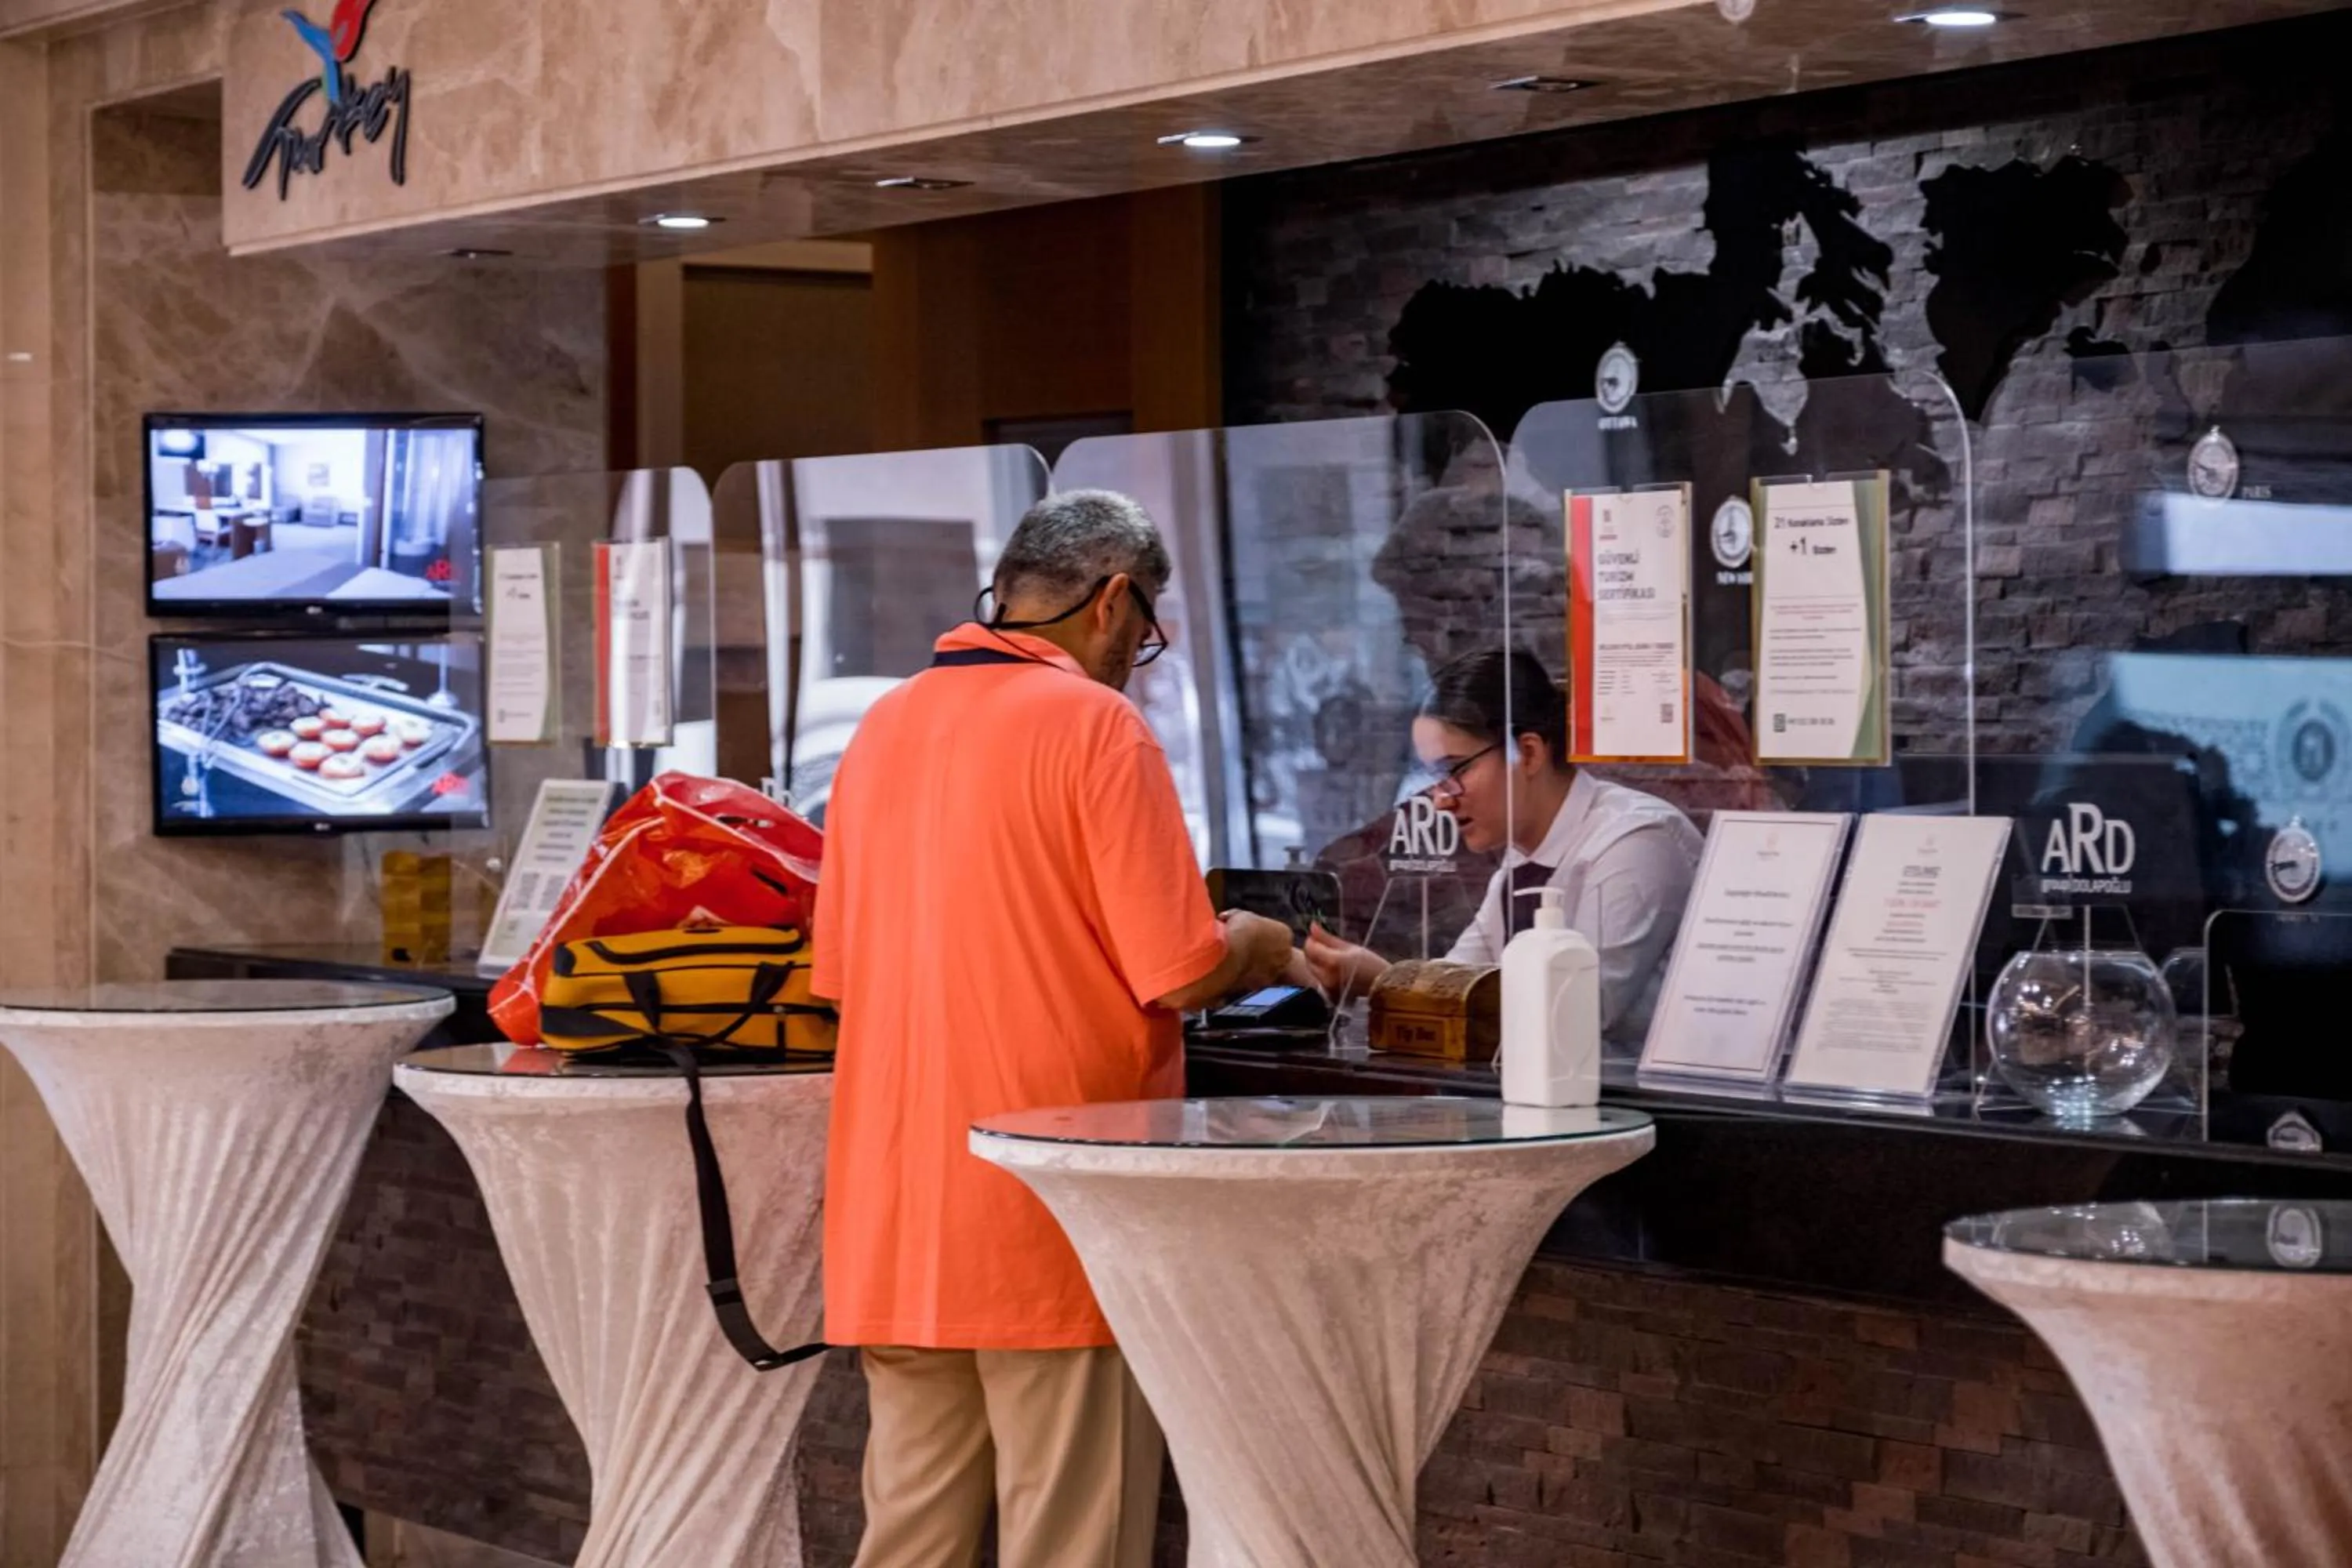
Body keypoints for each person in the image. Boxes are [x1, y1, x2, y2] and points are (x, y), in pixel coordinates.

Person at [812, 488, 1298, 1568]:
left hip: (895, 1210)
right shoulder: (1095, 726)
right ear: (1112, 598)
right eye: (1148, 629)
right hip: (1054, 1210)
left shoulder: (884, 725)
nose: (1141, 654)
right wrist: (1261, 945)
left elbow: (840, 974)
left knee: (908, 1540)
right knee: (1073, 1539)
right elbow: (1179, 975)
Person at [1305, 648, 1704, 1040]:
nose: (1441, 799)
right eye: (1432, 778)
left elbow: (1581, 1012)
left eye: (1454, 770)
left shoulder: (1636, 840)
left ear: (1528, 753)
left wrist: (1387, 981)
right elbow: (1462, 980)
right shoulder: (1522, 856)